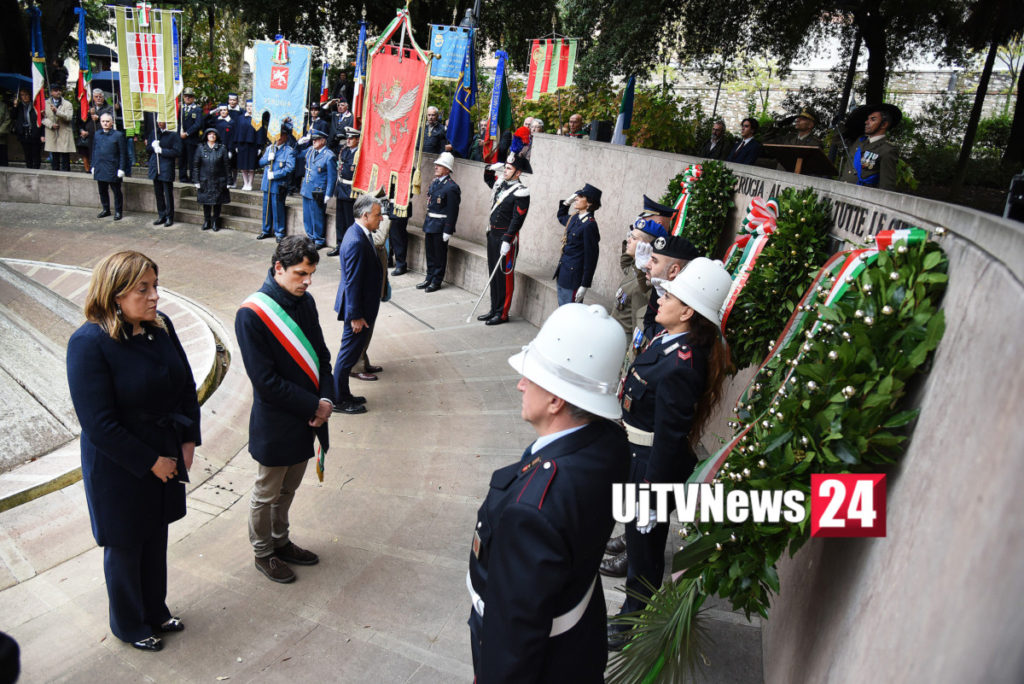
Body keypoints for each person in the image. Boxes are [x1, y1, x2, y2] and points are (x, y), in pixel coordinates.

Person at [467, 303, 630, 682]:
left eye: (532, 377)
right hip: (578, 643)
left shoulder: (531, 512)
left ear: (557, 400)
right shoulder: (610, 443)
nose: (521, 383)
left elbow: (513, 641)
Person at [66, 250, 201, 652]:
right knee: (126, 545)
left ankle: (155, 609)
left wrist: (188, 440)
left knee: (155, 536)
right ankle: (129, 623)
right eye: (143, 289)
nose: (155, 296)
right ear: (115, 293)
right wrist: (150, 462)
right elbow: (98, 423)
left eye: (155, 285)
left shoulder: (161, 327)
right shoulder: (88, 343)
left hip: (166, 450)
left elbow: (185, 388)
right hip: (119, 465)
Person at [608, 257, 732, 652]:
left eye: (672, 295)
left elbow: (668, 437)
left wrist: (652, 496)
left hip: (649, 464)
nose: (661, 297)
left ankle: (633, 619)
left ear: (688, 312)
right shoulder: (668, 341)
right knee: (635, 538)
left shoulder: (682, 364)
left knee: (644, 551)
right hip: (634, 453)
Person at [235, 237, 334, 584]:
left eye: (311, 273)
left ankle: (281, 541)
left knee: (288, 491)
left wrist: (327, 400)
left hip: (310, 418)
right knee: (266, 494)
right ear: (278, 268)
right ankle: (264, 553)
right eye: (300, 273)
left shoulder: (304, 302)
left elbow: (322, 356)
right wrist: (315, 405)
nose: (307, 281)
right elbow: (265, 381)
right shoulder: (252, 315)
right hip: (278, 421)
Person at [332, 194, 384, 414]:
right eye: (378, 215)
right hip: (357, 311)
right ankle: (337, 400)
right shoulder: (355, 241)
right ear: (365, 216)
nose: (381, 219)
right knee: (347, 356)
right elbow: (352, 282)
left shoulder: (360, 233)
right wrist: (355, 315)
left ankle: (343, 394)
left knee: (351, 354)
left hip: (361, 308)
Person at [479, 154, 532, 326]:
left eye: (509, 168)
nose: (505, 171)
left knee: (504, 277)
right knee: (493, 275)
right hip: (493, 235)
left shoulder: (521, 192)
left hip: (505, 239)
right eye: (506, 167)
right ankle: (494, 309)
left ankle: (502, 313)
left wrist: (507, 240)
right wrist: (490, 167)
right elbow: (488, 178)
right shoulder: (500, 184)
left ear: (518, 173)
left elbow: (518, 219)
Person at [611, 217, 666, 337]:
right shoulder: (635, 268)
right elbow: (625, 265)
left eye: (634, 238)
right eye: (630, 236)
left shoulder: (644, 283)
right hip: (613, 332)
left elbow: (638, 325)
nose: (629, 240)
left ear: (645, 246)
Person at [418, 152, 461, 292]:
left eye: (440, 165)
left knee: (439, 255)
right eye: (436, 164)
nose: (436, 166)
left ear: (447, 169)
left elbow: (453, 211)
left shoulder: (451, 187)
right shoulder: (435, 182)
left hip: (441, 226)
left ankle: (436, 280)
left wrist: (448, 230)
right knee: (430, 253)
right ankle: (429, 277)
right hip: (430, 223)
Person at [554, 183, 601, 306]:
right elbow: (561, 217)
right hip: (563, 273)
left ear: (589, 202)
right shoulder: (575, 218)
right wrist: (566, 203)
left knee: (570, 317)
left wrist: (585, 284)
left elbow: (591, 258)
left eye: (580, 196)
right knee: (562, 312)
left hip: (573, 278)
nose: (576, 198)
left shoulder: (589, 225)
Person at [840, 103, 901, 191]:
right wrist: (842, 125)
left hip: (860, 199)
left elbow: (886, 186)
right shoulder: (859, 142)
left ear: (884, 125)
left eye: (873, 119)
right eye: (867, 119)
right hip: (841, 192)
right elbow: (837, 141)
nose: (866, 122)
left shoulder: (887, 150)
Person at [299, 128, 337, 249]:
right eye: (313, 140)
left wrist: (328, 194)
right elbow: (296, 155)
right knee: (307, 216)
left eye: (316, 140)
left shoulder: (329, 156)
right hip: (307, 188)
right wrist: (298, 144)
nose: (313, 142)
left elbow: (332, 177)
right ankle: (310, 237)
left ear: (323, 141)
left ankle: (319, 240)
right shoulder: (310, 150)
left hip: (318, 191)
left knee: (317, 216)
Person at [256, 130, 296, 241]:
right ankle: (266, 230)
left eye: (280, 135)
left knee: (278, 209)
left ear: (285, 137)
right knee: (266, 209)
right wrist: (268, 158)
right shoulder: (270, 148)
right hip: (267, 184)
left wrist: (275, 174)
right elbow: (260, 163)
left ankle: (279, 232)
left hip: (278, 184)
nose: (277, 137)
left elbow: (290, 168)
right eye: (276, 135)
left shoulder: (288, 151)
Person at [192, 128, 231, 232]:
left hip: (219, 180)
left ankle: (215, 221)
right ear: (206, 136)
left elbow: (227, 166)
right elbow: (196, 165)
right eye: (210, 134)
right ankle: (207, 221)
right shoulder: (200, 148)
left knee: (218, 202)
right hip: (205, 180)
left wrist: (229, 181)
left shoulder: (222, 148)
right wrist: (196, 180)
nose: (212, 136)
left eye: (214, 134)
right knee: (206, 201)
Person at [329, 127, 359, 256]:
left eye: (351, 138)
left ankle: (349, 247)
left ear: (358, 139)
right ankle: (340, 244)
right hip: (341, 188)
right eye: (347, 138)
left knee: (349, 222)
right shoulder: (344, 151)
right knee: (340, 221)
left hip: (351, 191)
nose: (348, 140)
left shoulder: (359, 154)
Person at [91, 113, 127, 221]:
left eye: (107, 121)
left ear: (112, 122)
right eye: (103, 121)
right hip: (100, 166)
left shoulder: (118, 135)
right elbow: (94, 150)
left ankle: (118, 211)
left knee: (116, 191)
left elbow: (123, 154)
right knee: (102, 190)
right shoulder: (97, 134)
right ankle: (106, 209)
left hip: (113, 167)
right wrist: (93, 165)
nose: (105, 123)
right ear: (100, 122)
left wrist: (121, 168)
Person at [146, 118, 181, 227]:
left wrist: (162, 150)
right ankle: (161, 215)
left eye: (162, 121)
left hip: (166, 166)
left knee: (167, 193)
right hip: (155, 166)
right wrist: (152, 146)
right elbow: (148, 149)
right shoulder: (154, 133)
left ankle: (169, 216)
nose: (160, 123)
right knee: (158, 193)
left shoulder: (173, 134)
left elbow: (177, 151)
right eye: (158, 121)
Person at [42, 84, 75, 171]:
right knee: (54, 158)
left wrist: (57, 111)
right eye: (55, 90)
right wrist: (50, 124)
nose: (58, 92)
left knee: (65, 158)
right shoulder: (45, 103)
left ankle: (66, 176)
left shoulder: (67, 104)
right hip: (52, 132)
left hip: (64, 132)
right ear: (51, 92)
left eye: (59, 90)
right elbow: (42, 118)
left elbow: (69, 117)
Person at [80, 89, 114, 171]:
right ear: (93, 98)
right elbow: (82, 120)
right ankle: (91, 168)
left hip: (103, 134)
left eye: (100, 97)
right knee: (90, 152)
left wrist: (99, 117)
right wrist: (82, 130)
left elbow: (111, 118)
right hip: (90, 135)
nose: (98, 98)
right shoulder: (89, 107)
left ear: (103, 98)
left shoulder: (109, 107)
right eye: (96, 97)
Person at [178, 87, 203, 182]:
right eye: (186, 96)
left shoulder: (197, 109)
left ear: (193, 98)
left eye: (190, 96)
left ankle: (193, 177)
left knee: (192, 159)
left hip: (191, 138)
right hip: (181, 138)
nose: (188, 98)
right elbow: (178, 122)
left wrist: (187, 133)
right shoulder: (181, 108)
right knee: (182, 159)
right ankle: (182, 177)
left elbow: (198, 124)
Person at [14, 87, 42, 169]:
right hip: (24, 133)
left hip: (34, 132)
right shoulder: (19, 106)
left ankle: (36, 169)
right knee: (27, 153)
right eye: (22, 95)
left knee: (36, 153)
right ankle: (29, 169)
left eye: (26, 95)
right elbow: (13, 116)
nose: (25, 97)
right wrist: (15, 106)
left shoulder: (35, 105)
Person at [235, 101, 259, 191]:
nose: (249, 108)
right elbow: (237, 131)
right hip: (242, 144)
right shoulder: (240, 118)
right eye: (248, 106)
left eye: (251, 106)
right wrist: (236, 144)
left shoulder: (257, 118)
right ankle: (245, 183)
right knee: (243, 166)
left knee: (251, 166)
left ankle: (250, 183)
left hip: (253, 145)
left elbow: (260, 133)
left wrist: (260, 146)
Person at [212, 105, 235, 187]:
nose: (223, 111)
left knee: (227, 166)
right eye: (221, 110)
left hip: (226, 147)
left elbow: (232, 137)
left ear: (228, 111)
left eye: (225, 110)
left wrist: (231, 150)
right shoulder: (216, 120)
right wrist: (212, 112)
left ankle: (228, 181)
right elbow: (205, 121)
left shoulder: (231, 122)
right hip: (216, 146)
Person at [0, 90, 11, 166]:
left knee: (2, 160)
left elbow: (8, 119)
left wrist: (0, 131)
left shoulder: (3, 106)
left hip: (1, 139)